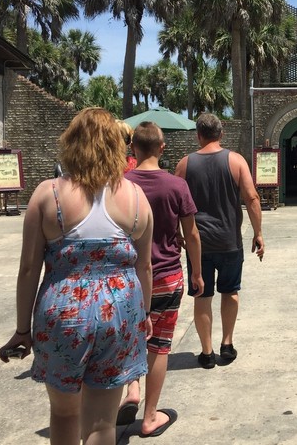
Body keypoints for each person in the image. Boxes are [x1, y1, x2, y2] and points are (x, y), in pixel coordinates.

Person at [0, 107, 154, 445]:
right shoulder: (137, 198)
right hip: (120, 311)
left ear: (72, 144)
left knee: (66, 414)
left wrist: (23, 329)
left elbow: (29, 268)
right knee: (101, 424)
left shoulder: (48, 194)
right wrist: (144, 314)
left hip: (64, 312)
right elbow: (144, 267)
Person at [116, 121, 204, 436]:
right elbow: (191, 234)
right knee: (159, 346)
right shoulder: (176, 186)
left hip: (128, 279)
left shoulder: (120, 184)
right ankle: (150, 416)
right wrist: (197, 271)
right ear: (162, 148)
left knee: (130, 339)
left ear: (132, 148)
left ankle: (132, 391)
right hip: (167, 275)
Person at [175, 112, 264, 369]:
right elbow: (252, 198)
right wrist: (258, 233)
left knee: (202, 295)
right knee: (230, 291)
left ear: (198, 135)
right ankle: (227, 343)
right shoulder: (236, 161)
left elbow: (174, 203)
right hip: (229, 242)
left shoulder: (185, 164)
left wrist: (176, 233)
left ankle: (206, 352)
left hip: (197, 244)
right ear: (221, 134)